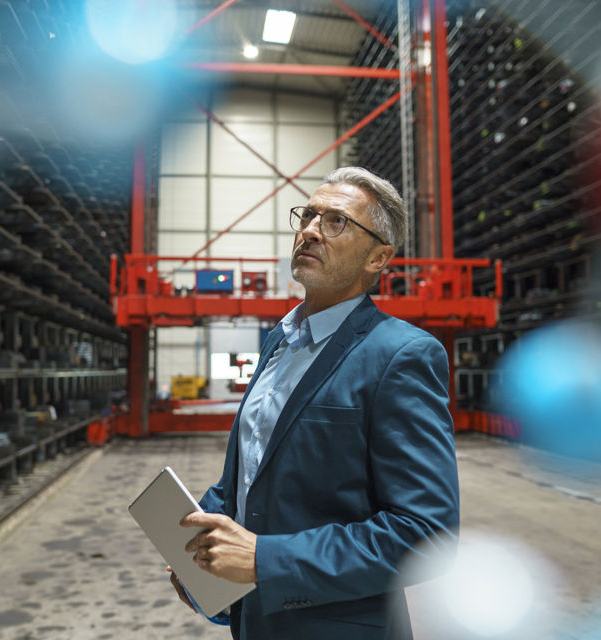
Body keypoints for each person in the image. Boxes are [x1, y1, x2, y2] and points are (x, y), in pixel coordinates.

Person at [170, 166, 460, 639]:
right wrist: (201, 548)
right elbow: (249, 477)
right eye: (307, 215)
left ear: (378, 258)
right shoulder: (279, 343)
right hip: (255, 621)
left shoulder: (401, 355)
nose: (309, 230)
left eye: (336, 221)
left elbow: (426, 534)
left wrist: (265, 560)